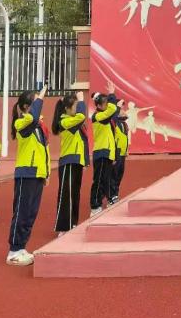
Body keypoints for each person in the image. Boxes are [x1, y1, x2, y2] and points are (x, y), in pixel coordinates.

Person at [7, 85, 50, 266]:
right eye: (34, 102)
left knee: (31, 213)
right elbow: (32, 117)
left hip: (37, 172)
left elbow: (43, 151)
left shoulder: (38, 126)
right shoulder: (21, 123)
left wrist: (46, 172)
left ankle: (21, 246)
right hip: (26, 172)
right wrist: (40, 98)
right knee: (22, 212)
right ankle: (14, 250)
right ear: (26, 106)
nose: (39, 104)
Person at [53, 91, 88, 235]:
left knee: (75, 194)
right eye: (75, 106)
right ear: (67, 108)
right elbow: (82, 116)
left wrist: (84, 161)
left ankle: (72, 222)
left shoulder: (73, 121)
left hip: (76, 160)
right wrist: (81, 100)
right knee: (66, 195)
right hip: (68, 161)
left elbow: (83, 142)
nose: (77, 108)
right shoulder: (65, 121)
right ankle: (63, 227)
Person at [90, 84, 119, 216]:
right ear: (98, 106)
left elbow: (111, 138)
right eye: (105, 104)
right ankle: (95, 206)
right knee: (99, 180)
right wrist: (112, 94)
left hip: (107, 152)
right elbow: (113, 108)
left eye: (107, 103)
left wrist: (113, 155)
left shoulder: (105, 117)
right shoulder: (97, 116)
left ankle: (103, 201)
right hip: (100, 152)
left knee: (105, 179)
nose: (107, 105)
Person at [110, 102, 130, 203]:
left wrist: (126, 150)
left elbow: (125, 138)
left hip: (122, 153)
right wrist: (117, 106)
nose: (124, 111)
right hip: (116, 152)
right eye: (121, 109)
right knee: (113, 175)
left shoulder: (125, 124)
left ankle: (115, 194)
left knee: (119, 175)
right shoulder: (114, 123)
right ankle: (111, 196)